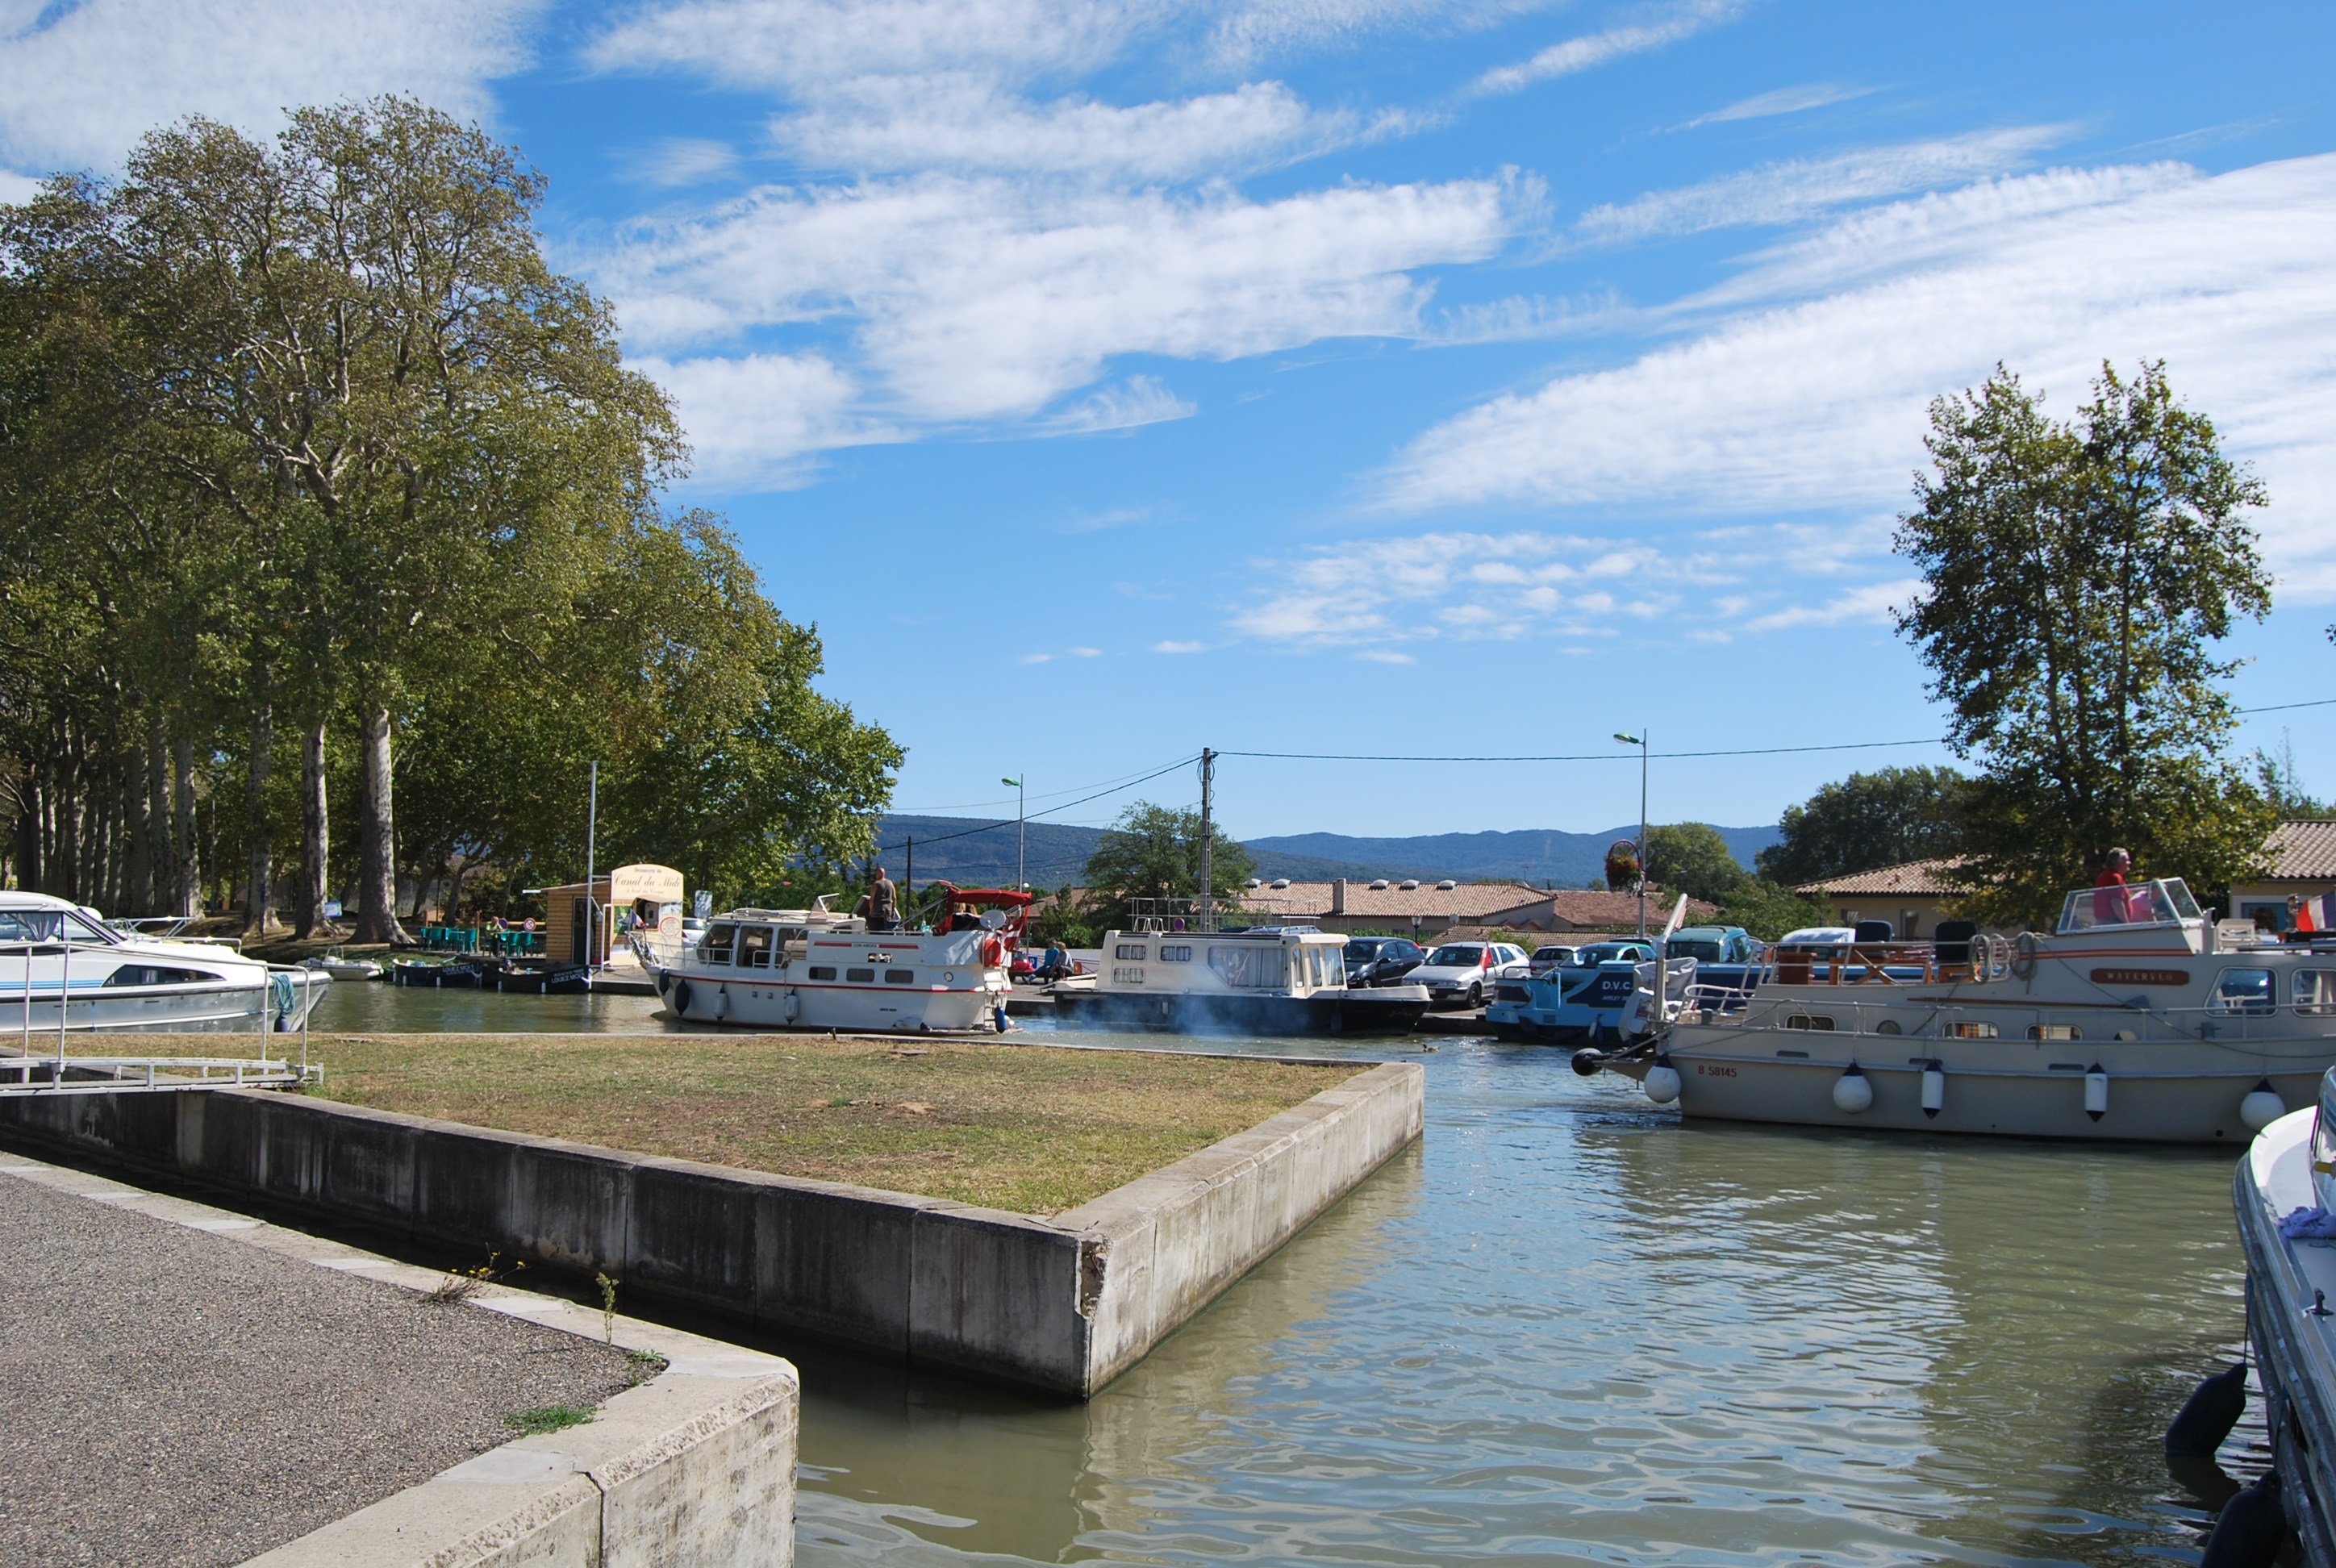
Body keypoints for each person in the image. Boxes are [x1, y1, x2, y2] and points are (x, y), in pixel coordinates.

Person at [2092, 847, 2134, 924]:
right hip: (2113, 922)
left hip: (2107, 921)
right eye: (2127, 860)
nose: (2129, 863)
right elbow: (2116, 902)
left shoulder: (2105, 875)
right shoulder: (2114, 877)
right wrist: (2127, 925)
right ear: (2119, 862)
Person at [856, 866, 899, 932]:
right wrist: (893, 910)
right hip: (888, 911)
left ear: (879, 874)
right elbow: (894, 898)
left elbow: (872, 900)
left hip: (878, 911)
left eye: (877, 874)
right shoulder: (890, 883)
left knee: (875, 930)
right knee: (886, 929)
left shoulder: (876, 884)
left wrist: (871, 911)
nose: (876, 875)